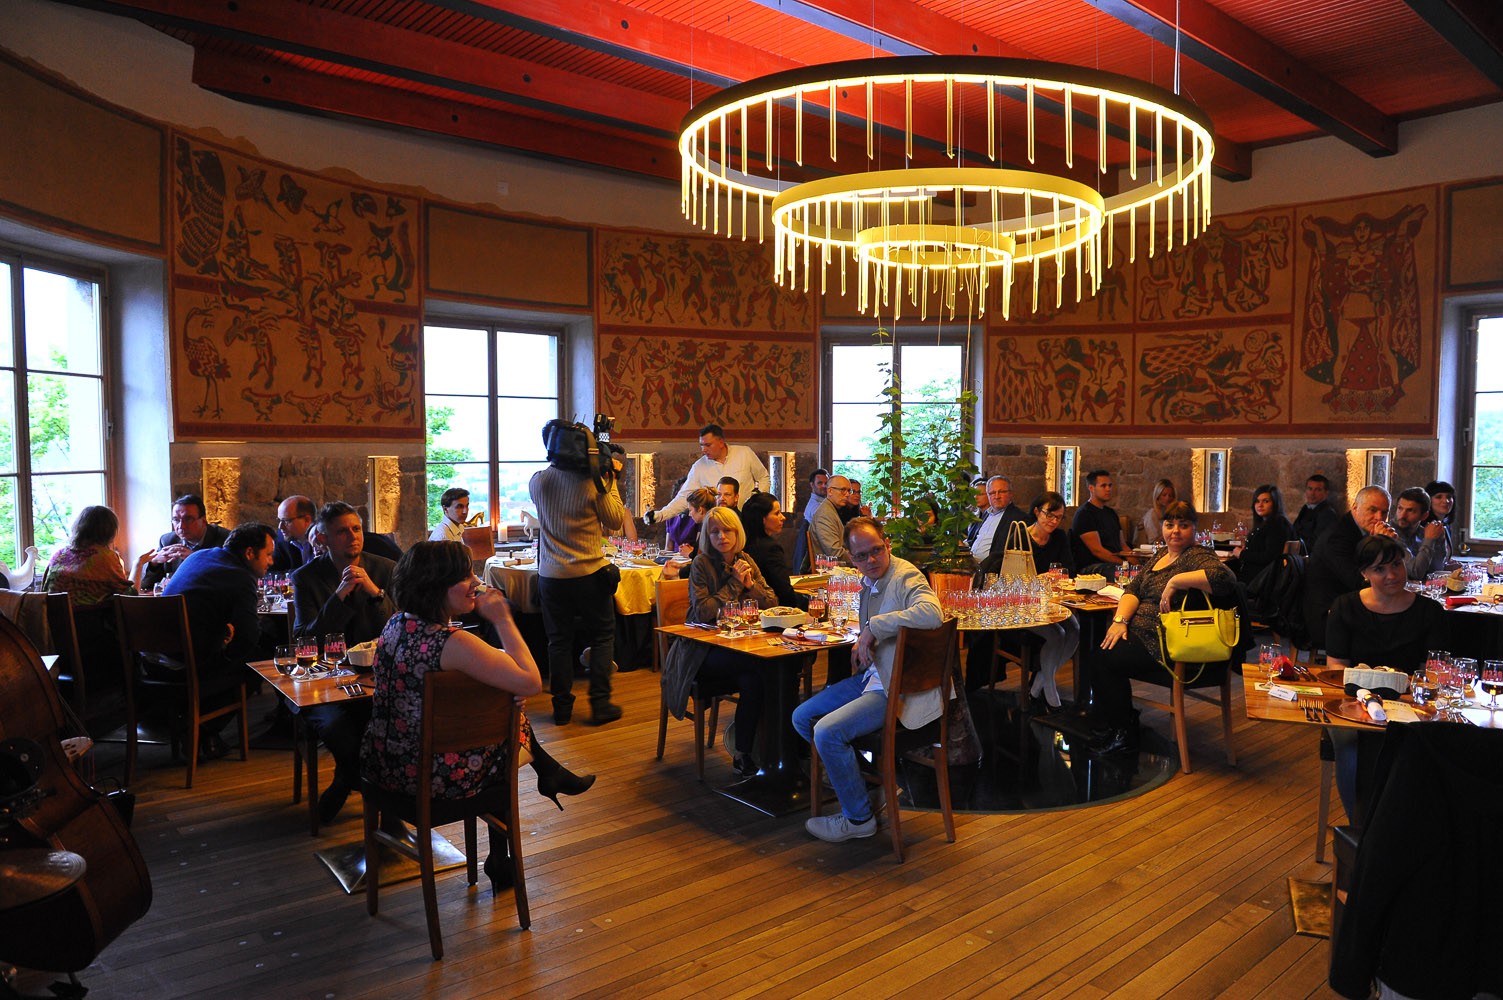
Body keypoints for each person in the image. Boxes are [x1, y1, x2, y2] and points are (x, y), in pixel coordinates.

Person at [360, 541, 594, 893]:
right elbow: (532, 682)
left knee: (503, 712)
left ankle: (511, 838)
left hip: (385, 764)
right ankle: (512, 836)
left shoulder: (396, 623)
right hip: (431, 780)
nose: (476, 583)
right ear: (435, 586)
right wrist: (503, 620)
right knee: (508, 725)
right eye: (464, 576)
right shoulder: (451, 642)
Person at [793, 517, 943, 843]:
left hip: (898, 689)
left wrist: (873, 628)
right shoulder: (870, 581)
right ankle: (869, 785)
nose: (871, 560)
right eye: (861, 556)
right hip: (874, 676)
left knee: (827, 732)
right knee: (802, 717)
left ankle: (859, 818)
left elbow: (933, 613)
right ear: (851, 558)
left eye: (876, 550)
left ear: (887, 544)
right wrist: (863, 639)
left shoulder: (905, 576)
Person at [1091, 501, 1237, 755]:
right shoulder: (1160, 555)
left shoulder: (1196, 555)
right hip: (1141, 634)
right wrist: (1119, 622)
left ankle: (1123, 730)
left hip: (1166, 643)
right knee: (1103, 650)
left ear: (1194, 528)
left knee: (1103, 659)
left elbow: (1225, 578)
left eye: (1183, 525)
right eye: (1170, 525)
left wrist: (1176, 581)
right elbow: (1133, 590)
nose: (1175, 531)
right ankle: (1119, 723)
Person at [1324, 534, 1447, 820]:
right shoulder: (1344, 607)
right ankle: (1359, 824)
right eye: (1379, 569)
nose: (1392, 575)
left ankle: (1407, 822)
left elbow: (1434, 672)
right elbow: (1337, 670)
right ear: (1364, 573)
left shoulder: (1430, 611)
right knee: (1348, 743)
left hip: (1409, 701)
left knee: (1425, 741)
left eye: (1396, 565)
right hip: (1354, 701)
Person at [290, 501, 398, 821]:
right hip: (325, 682)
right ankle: (366, 792)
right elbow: (305, 640)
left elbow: (398, 627)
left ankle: (344, 782)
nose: (353, 536)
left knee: (392, 728)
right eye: (342, 531)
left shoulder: (385, 569)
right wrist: (339, 596)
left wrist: (375, 593)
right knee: (341, 731)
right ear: (323, 539)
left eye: (356, 529)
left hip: (374, 678)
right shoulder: (306, 577)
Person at [660, 507, 777, 777]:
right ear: (707, 536)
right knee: (762, 667)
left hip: (739, 645)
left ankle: (747, 752)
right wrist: (735, 584)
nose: (722, 536)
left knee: (757, 677)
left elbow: (772, 602)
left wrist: (750, 586)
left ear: (738, 533)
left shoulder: (745, 559)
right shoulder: (701, 564)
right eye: (715, 532)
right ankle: (765, 747)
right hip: (699, 652)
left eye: (727, 530)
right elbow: (703, 612)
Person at [530, 419, 627, 725]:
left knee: (558, 642)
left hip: (551, 577)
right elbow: (615, 520)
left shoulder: (537, 481)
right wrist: (609, 479)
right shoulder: (593, 483)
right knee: (602, 637)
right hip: (589, 574)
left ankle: (561, 709)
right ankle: (600, 704)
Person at [161, 522, 278, 758]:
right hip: (191, 664)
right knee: (261, 660)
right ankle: (203, 728)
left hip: (157, 659)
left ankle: (201, 728)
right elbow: (248, 638)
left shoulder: (199, 556)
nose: (271, 561)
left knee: (247, 651)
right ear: (249, 553)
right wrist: (227, 650)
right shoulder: (241, 577)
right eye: (268, 554)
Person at [974, 491, 1080, 710]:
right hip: (1021, 605)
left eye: (1059, 517)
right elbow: (1013, 580)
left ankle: (1039, 682)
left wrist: (1054, 576)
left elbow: (1068, 569)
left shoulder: (1059, 537)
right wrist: (1041, 578)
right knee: (1058, 634)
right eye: (1049, 515)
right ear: (1037, 512)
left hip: (1050, 602)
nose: (1053, 521)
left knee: (1075, 630)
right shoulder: (1020, 537)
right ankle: (1050, 691)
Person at [1303, 485, 1396, 651]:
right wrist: (1379, 546)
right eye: (1372, 510)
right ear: (1355, 507)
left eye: (1384, 512)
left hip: (1354, 606)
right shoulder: (1337, 537)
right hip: (1329, 617)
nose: (1379, 518)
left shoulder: (1363, 532)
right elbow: (1359, 582)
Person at [643, 423, 769, 524]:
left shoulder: (745, 453)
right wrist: (660, 515)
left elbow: (763, 478)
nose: (703, 450)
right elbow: (683, 497)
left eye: (708, 445)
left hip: (748, 520)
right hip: (717, 525)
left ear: (721, 442)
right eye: (701, 445)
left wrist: (756, 499)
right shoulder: (699, 467)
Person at [43, 505, 135, 605]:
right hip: (87, 615)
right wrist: (138, 565)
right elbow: (129, 597)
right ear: (109, 532)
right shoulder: (105, 557)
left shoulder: (59, 555)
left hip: (54, 614)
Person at [138, 494, 232, 591]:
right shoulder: (168, 541)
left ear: (203, 521)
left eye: (188, 519)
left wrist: (195, 559)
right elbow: (147, 586)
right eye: (176, 520)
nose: (181, 526)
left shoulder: (225, 540)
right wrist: (154, 563)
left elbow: (229, 582)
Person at [740, 492, 809, 612]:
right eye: (777, 513)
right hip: (775, 609)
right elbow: (784, 591)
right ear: (763, 519)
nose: (783, 517)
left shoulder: (743, 542)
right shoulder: (770, 548)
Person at [1071, 469, 1135, 576]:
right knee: (1126, 573)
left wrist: (1138, 566)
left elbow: (1123, 546)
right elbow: (1098, 551)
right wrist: (1125, 565)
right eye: (1103, 486)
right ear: (1091, 488)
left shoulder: (1111, 513)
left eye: (1110, 485)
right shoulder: (1084, 514)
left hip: (1115, 563)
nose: (1108, 489)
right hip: (1093, 566)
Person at [1228, 484, 1293, 584]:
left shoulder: (1277, 524)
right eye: (1257, 501)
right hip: (1259, 578)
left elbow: (1270, 556)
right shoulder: (1267, 523)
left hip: (1261, 581)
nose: (1260, 505)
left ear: (1275, 503)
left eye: (1266, 501)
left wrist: (1242, 554)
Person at [1392, 486, 1448, 579]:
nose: (1402, 515)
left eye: (1410, 510)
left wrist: (1439, 540)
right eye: (1400, 508)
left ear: (1424, 516)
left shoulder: (1423, 532)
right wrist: (1429, 540)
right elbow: (1416, 572)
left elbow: (1436, 570)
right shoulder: (1390, 533)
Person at [970, 476, 1027, 564]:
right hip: (972, 564)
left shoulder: (1019, 518)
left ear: (1010, 494)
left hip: (992, 568)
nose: (997, 496)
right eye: (992, 493)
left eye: (1001, 492)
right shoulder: (986, 514)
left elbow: (1006, 554)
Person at [808, 474, 852, 565]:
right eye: (843, 490)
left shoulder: (831, 509)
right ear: (830, 491)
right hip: (829, 570)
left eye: (849, 491)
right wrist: (860, 558)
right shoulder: (825, 514)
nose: (847, 494)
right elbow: (835, 554)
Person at [1291, 474, 1339, 556]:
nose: (1312, 493)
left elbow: (1318, 543)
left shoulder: (1327, 514)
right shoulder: (1305, 509)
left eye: (1318, 490)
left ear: (1326, 493)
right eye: (1310, 489)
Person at [664, 487, 716, 559]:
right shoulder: (706, 525)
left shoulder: (711, 528)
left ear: (700, 510)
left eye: (690, 510)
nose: (689, 514)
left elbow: (706, 558)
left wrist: (690, 554)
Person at [272, 495, 316, 573]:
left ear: (307, 520)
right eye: (279, 520)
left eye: (286, 521)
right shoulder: (281, 539)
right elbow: (272, 572)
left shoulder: (323, 540)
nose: (280, 527)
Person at [1140, 479, 1176, 545]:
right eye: (1164, 495)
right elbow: (1153, 541)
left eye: (1170, 495)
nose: (1167, 498)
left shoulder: (1173, 514)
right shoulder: (1152, 514)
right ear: (1157, 496)